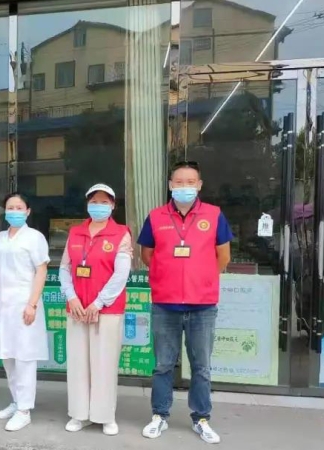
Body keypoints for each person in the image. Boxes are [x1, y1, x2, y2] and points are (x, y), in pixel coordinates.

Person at [138, 161, 232, 444]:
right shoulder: (156, 216)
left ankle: (201, 418)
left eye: (190, 182)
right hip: (165, 304)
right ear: (170, 185)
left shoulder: (214, 215)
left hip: (202, 306)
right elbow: (147, 255)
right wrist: (169, 276)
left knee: (201, 366)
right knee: (163, 365)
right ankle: (159, 415)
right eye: (179, 182)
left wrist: (200, 278)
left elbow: (223, 256)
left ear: (199, 185)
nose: (184, 187)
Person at [59, 184, 133, 436]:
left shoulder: (121, 234)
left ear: (112, 205)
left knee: (104, 363)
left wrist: (99, 302)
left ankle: (105, 416)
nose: (98, 206)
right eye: (94, 201)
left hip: (107, 310)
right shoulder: (75, 232)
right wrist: (72, 297)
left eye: (104, 202)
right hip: (77, 309)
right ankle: (79, 414)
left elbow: (121, 274)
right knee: (78, 363)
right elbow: (65, 268)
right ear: (87, 204)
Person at [0, 193, 50, 432]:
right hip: (3, 305)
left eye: (19, 208)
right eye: (10, 207)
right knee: (7, 356)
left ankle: (24, 410)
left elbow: (41, 270)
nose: (14, 211)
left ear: (28, 211)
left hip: (24, 304)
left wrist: (32, 303)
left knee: (24, 357)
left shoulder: (34, 237)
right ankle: (16, 400)